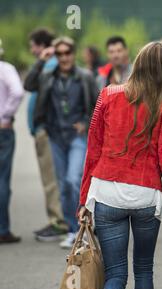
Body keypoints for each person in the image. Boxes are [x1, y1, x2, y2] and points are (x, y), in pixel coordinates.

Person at [77, 42, 162, 289]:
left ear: (137, 64)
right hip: (145, 196)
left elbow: (92, 152)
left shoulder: (108, 94)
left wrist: (83, 200)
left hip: (106, 193)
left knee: (115, 274)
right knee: (143, 271)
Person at [24, 36, 99, 248]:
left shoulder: (85, 77)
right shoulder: (48, 76)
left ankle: (82, 226)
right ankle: (72, 229)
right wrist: (41, 59)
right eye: (59, 54)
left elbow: (98, 104)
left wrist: (86, 122)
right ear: (55, 56)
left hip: (77, 137)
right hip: (55, 136)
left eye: (67, 53)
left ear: (73, 54)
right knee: (62, 186)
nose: (64, 57)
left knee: (73, 180)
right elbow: (28, 85)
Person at [25, 28, 68, 242]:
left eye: (33, 45)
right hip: (46, 130)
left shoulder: (51, 65)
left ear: (42, 45)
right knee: (54, 178)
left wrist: (42, 125)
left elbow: (28, 85)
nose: (32, 49)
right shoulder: (49, 65)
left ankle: (59, 222)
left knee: (52, 179)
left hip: (48, 130)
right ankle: (58, 219)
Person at [0, 39, 25, 244]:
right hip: (3, 128)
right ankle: (2, 229)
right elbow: (17, 92)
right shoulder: (5, 68)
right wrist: (5, 115)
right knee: (2, 179)